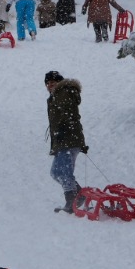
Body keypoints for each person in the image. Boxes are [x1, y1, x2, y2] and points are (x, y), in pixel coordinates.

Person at [44, 70, 86, 211]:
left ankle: (72, 200)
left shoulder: (64, 93)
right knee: (56, 172)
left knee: (63, 172)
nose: (50, 85)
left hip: (69, 139)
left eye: (53, 82)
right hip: (63, 140)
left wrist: (64, 129)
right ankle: (79, 196)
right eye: (48, 83)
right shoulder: (56, 96)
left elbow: (69, 113)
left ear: (59, 82)